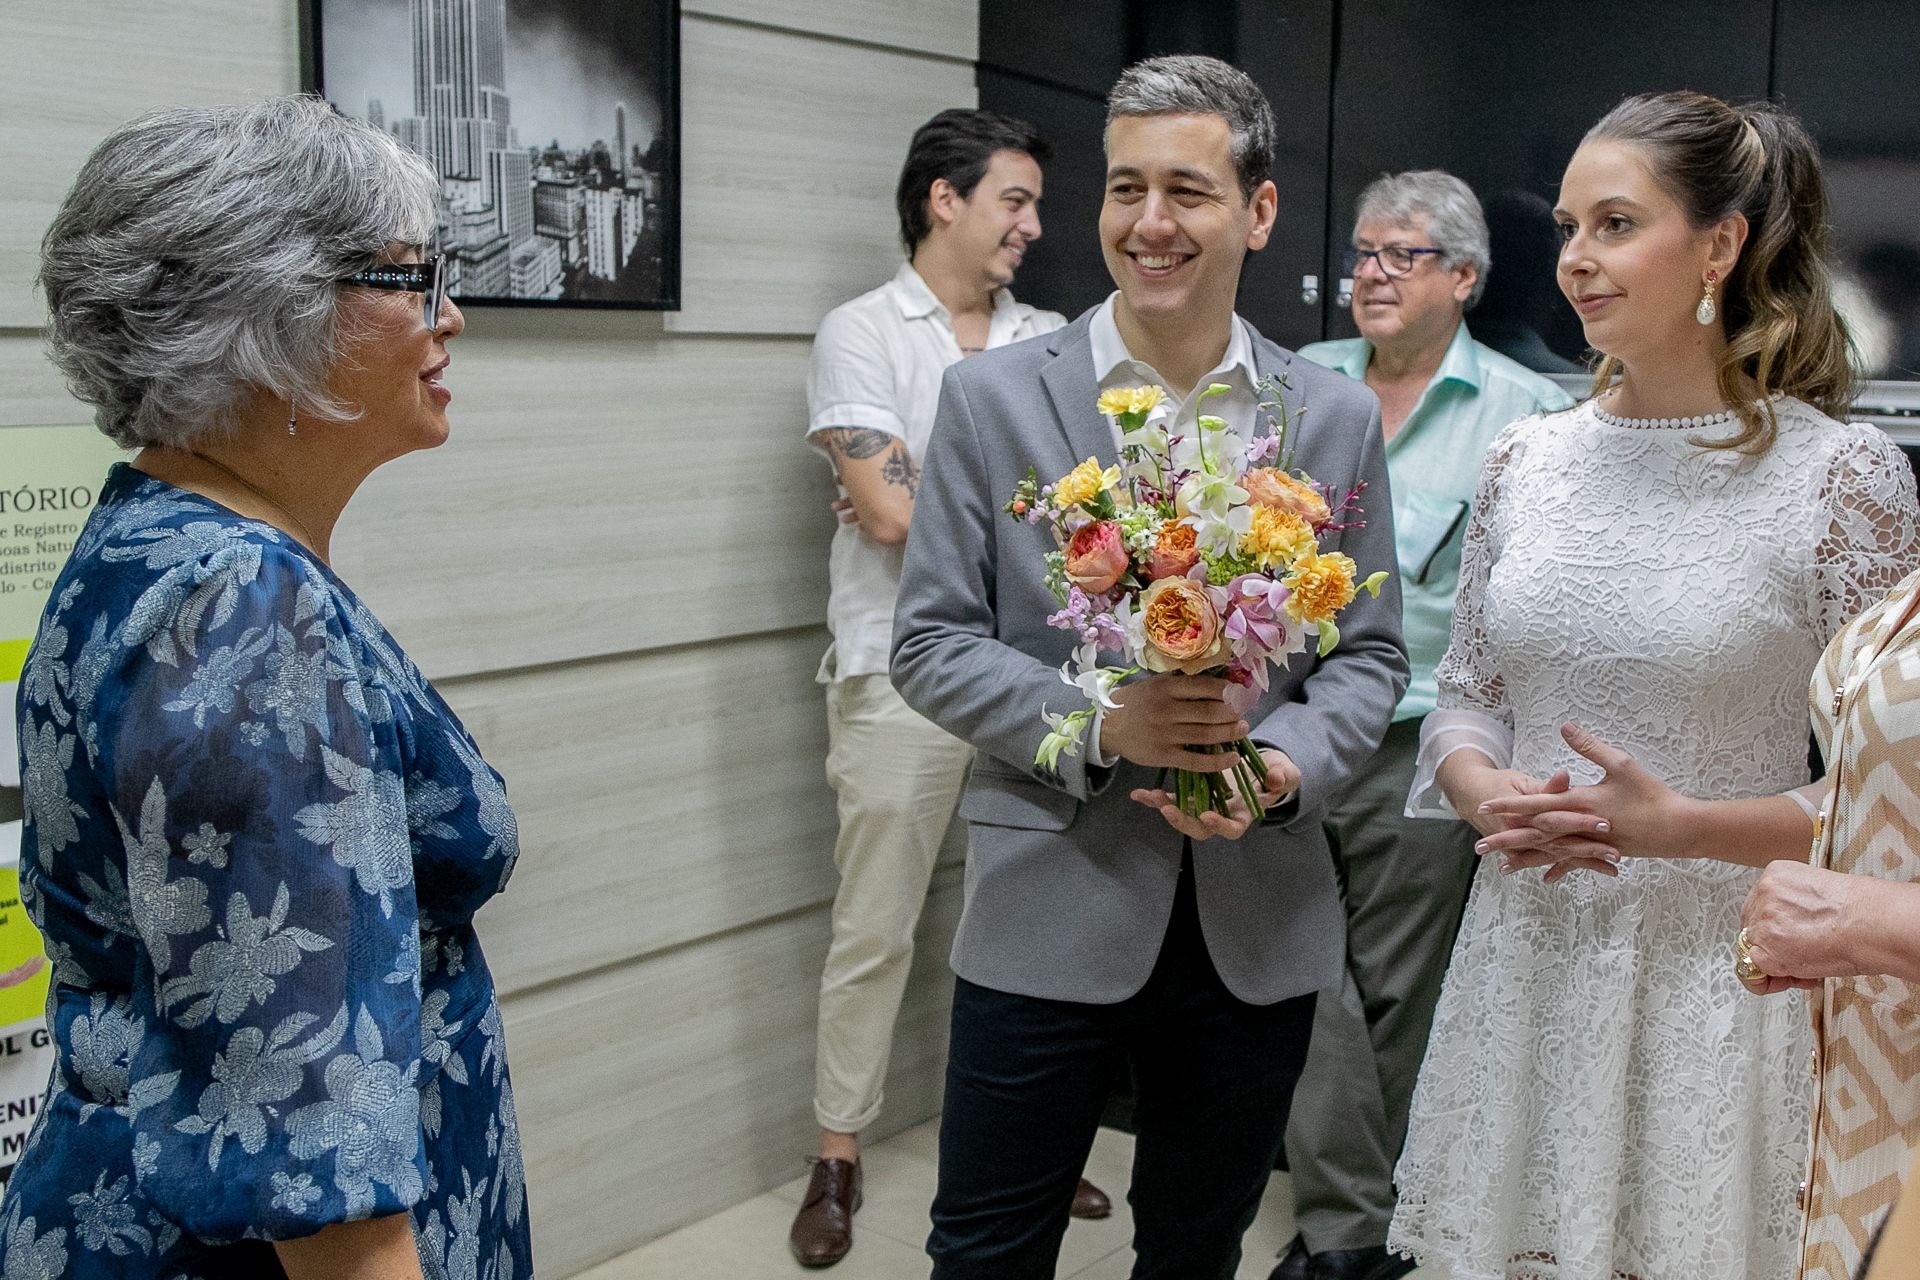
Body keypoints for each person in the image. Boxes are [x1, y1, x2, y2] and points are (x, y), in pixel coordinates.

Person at [1386, 90, 1920, 1280]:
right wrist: (1484, 789)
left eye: (1616, 224)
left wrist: (1683, 825)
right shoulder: (1527, 459)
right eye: (1570, 226)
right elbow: (1469, 686)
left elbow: (1896, 805)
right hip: (1529, 951)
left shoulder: (1844, 481)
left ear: (1720, 244)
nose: (1575, 259)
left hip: (1728, 977)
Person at [892, 54, 1407, 1279]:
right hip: (1046, 886)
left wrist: (1281, 764)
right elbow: (930, 640)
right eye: (1126, 189)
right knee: (983, 1247)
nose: (1150, 223)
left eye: (1188, 189)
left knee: (1196, 1244)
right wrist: (1096, 725)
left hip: (1256, 909)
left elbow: (1369, 652)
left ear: (1260, 211)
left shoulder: (1329, 415)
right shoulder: (993, 399)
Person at [6, 95, 530, 1279]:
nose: (449, 315)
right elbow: (310, 1152)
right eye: (409, 276)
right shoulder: (240, 605)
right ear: (269, 312)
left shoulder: (158, 540)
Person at [792, 107, 1113, 1268]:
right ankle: (837, 1150)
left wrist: (949, 510)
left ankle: (1037, 1142)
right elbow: (886, 511)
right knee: (875, 924)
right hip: (898, 674)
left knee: (1027, 923)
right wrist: (995, 520)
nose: (1034, 225)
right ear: (945, 199)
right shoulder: (863, 332)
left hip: (1035, 681)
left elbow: (1099, 514)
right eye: (1014, 200)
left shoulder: (1056, 337)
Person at [1275, 171, 1572, 1280]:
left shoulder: (1526, 417)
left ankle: (1381, 1221)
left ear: (1463, 276)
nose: (1374, 275)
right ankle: (1350, 1226)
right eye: (1362, 252)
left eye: (1403, 256)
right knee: (1302, 971)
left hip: (1423, 736)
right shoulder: (1299, 384)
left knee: (1401, 988)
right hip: (1291, 722)